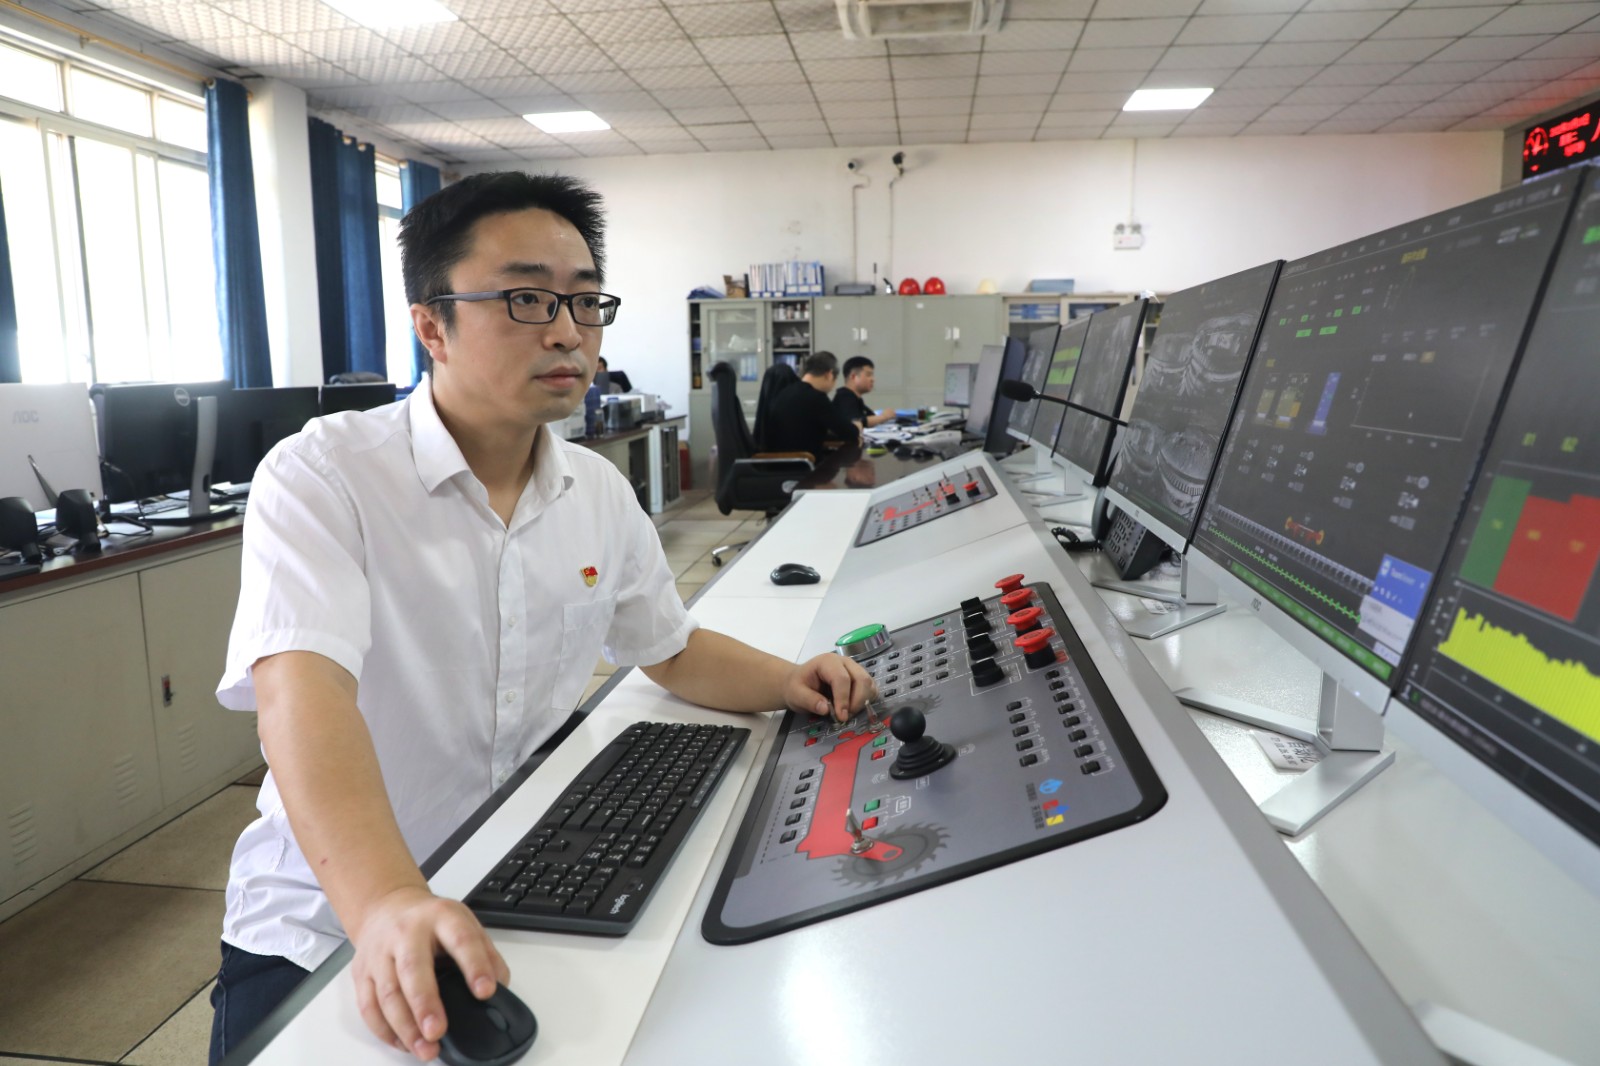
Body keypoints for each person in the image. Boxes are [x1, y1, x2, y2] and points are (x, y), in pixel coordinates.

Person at [207, 172, 874, 1064]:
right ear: (431, 325)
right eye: (527, 299)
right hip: (329, 919)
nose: (569, 332)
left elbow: (670, 648)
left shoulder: (594, 488)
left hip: (513, 880)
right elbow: (302, 697)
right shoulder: (325, 475)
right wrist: (389, 902)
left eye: (586, 301)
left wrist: (787, 681)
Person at [760, 350, 863, 456]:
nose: (833, 386)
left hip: (782, 460)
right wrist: (857, 426)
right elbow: (849, 433)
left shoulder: (785, 392)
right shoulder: (816, 397)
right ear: (829, 375)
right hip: (804, 462)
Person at [832, 356, 895, 428]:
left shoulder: (855, 398)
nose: (872, 379)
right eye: (868, 375)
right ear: (853, 377)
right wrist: (883, 417)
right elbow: (856, 421)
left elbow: (870, 416)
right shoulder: (844, 398)